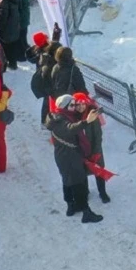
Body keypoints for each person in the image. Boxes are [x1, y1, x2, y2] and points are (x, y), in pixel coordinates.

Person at [44, 94, 104, 223]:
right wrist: (86, 121)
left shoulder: (59, 116)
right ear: (64, 106)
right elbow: (70, 129)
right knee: (79, 183)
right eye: (71, 105)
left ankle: (71, 206)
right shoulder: (61, 120)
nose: (74, 107)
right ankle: (85, 211)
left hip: (64, 155)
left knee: (67, 180)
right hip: (69, 156)